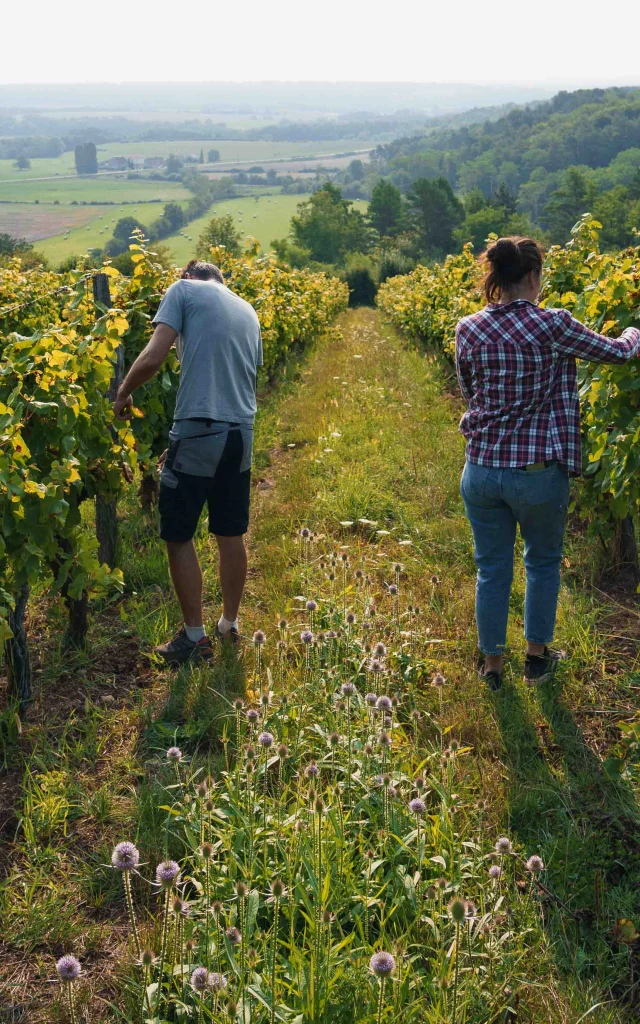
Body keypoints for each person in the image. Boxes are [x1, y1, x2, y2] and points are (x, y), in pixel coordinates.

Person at [456, 237, 640, 689]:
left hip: (480, 469)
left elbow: (468, 389)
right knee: (541, 562)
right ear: (535, 277)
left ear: (496, 277)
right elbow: (617, 352)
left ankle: (492, 668)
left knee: (491, 567)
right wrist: (636, 331)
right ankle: (536, 659)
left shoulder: (469, 327)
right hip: (537, 472)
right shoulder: (552, 325)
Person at [113, 259, 263, 664]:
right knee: (230, 533)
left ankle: (193, 640)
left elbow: (154, 356)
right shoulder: (247, 310)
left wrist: (123, 392)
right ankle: (229, 624)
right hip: (241, 434)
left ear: (189, 276)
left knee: (178, 532)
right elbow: (243, 379)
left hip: (200, 429)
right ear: (221, 280)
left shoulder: (183, 291)